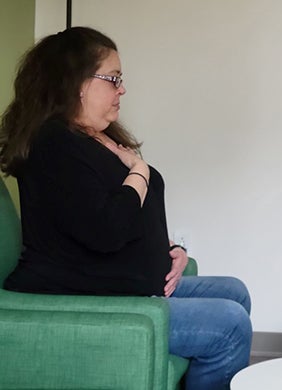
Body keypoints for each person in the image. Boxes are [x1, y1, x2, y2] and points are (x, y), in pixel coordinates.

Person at [0, 26, 252, 390]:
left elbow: (114, 213)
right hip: (86, 294)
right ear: (76, 83)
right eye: (113, 78)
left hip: (126, 282)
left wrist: (170, 251)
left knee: (235, 291)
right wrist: (138, 171)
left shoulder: (95, 136)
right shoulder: (52, 144)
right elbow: (107, 229)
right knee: (229, 323)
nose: (122, 89)